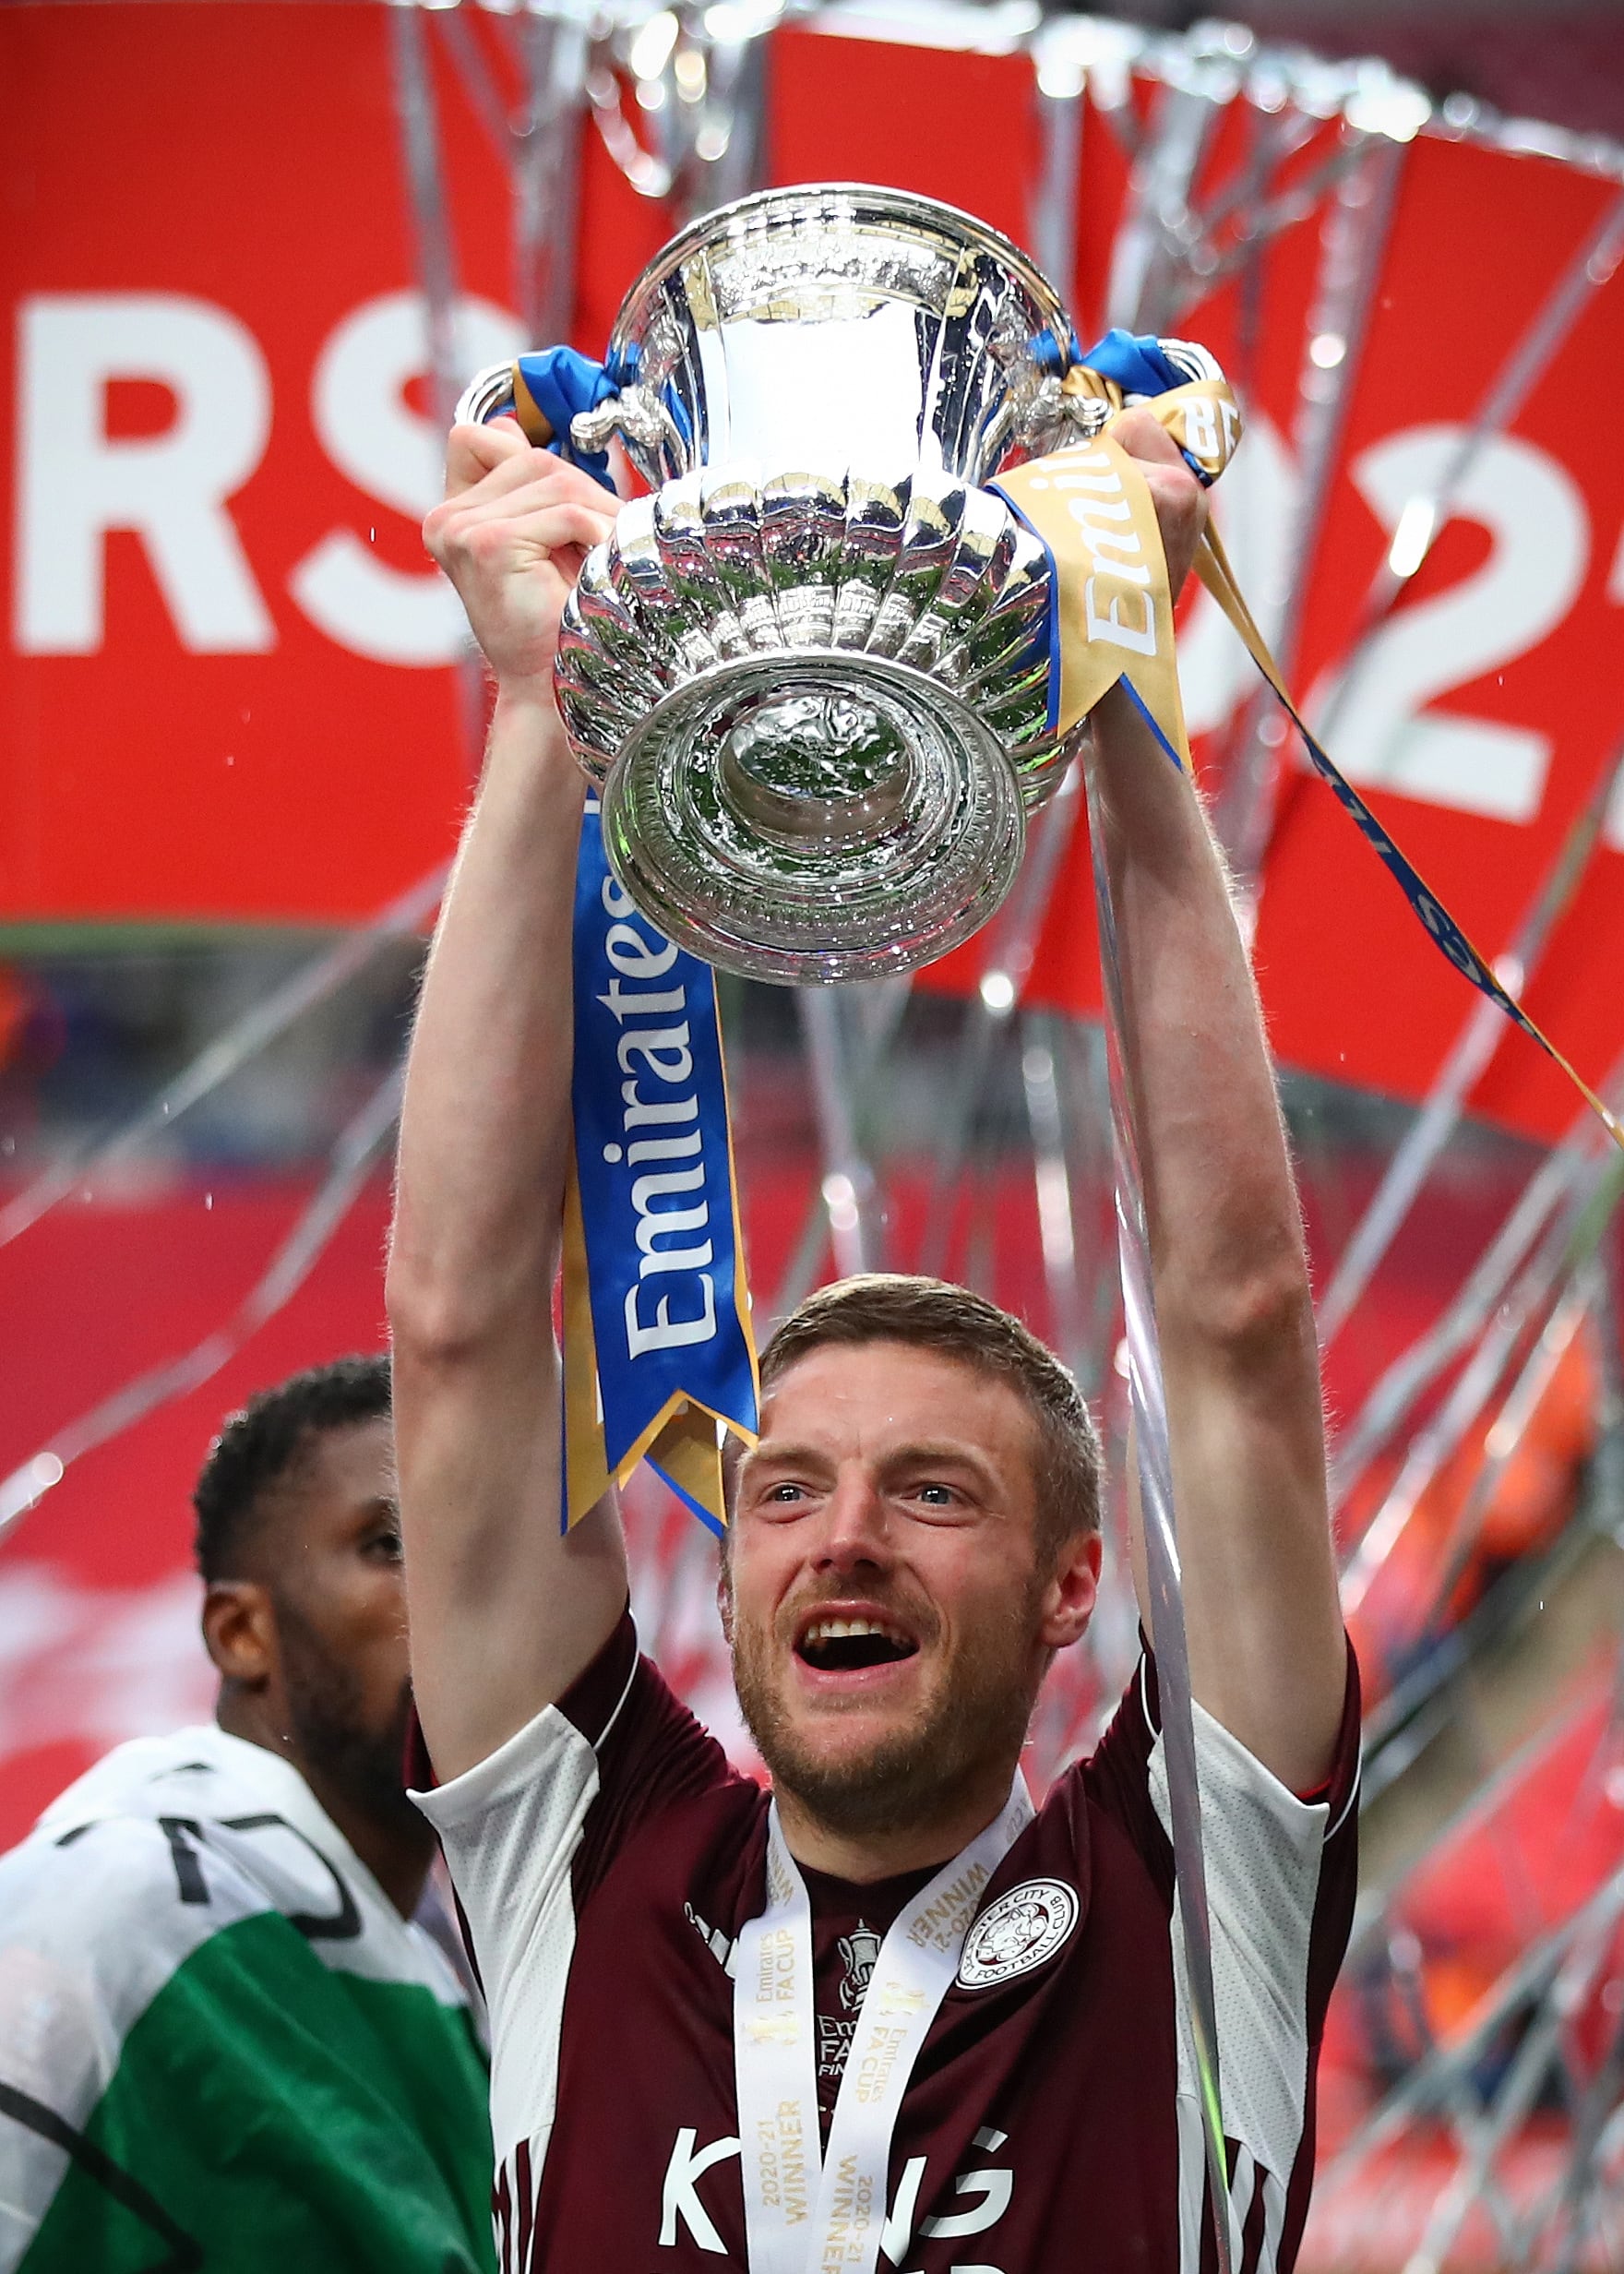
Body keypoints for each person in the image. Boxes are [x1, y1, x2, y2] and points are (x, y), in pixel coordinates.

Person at [388, 409, 1356, 2274]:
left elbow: (1233, 1328)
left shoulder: (1191, 1884)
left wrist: (1126, 691)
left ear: (1077, 1581)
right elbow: (460, 1332)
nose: (843, 1536)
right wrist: (536, 709)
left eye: (932, 1490)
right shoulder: (577, 1865)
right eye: (789, 1489)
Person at [0, 1356, 495, 2274]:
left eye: (493, 1543)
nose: (466, 1592)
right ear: (240, 1632)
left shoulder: (464, 1974)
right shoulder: (108, 1909)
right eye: (390, 1545)